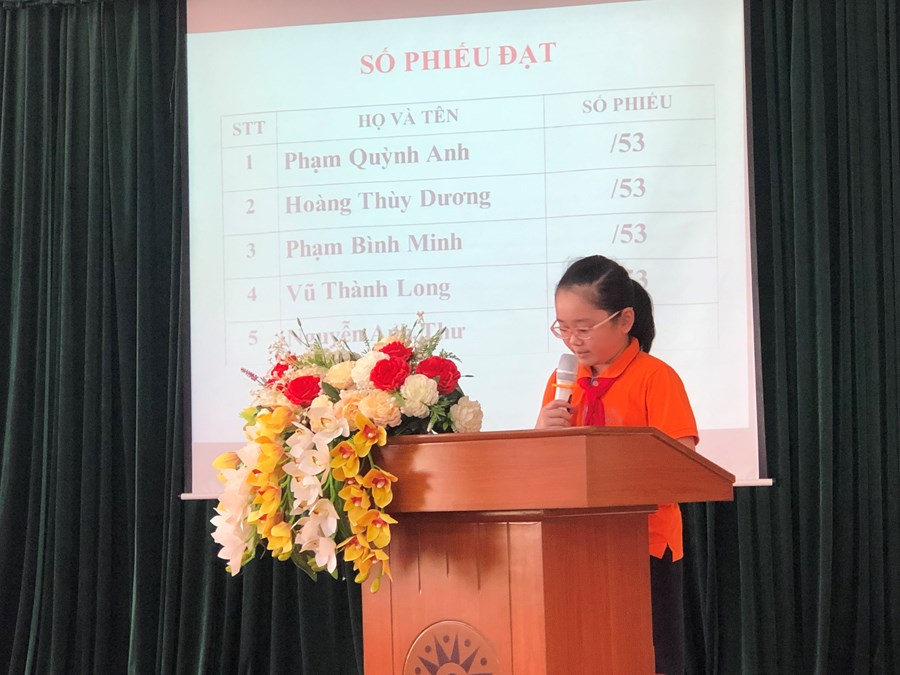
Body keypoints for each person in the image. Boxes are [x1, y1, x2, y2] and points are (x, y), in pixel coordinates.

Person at [536, 255, 698, 675]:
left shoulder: (655, 377)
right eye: (563, 328)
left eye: (584, 327)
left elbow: (681, 464)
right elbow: (542, 472)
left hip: (644, 545)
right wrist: (541, 434)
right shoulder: (561, 383)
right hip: (573, 544)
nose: (573, 340)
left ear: (624, 319)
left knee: (646, 656)